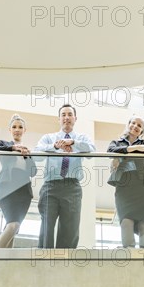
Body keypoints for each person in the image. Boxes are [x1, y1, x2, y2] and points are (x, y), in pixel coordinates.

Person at [34, 104, 96, 248]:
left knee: (70, 229)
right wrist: (55, 147)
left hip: (72, 187)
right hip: (51, 186)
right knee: (47, 227)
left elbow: (91, 151)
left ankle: (64, 264)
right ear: (59, 119)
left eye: (69, 114)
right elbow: (36, 154)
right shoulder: (49, 138)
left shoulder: (82, 138)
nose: (66, 118)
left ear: (75, 118)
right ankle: (44, 261)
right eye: (63, 115)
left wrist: (73, 143)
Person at [107, 115, 144, 248]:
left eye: (139, 125)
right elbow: (110, 151)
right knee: (126, 221)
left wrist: (122, 154)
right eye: (133, 123)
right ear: (128, 124)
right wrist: (131, 149)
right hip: (124, 186)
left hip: (143, 187)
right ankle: (129, 254)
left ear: (142, 131)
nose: (135, 126)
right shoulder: (116, 142)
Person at [0, 113, 37, 248]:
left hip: (23, 192)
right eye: (14, 127)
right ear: (10, 130)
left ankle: (5, 262)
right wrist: (13, 148)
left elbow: (33, 172)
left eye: (20, 127)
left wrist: (27, 156)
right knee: (13, 225)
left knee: (14, 228)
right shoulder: (5, 144)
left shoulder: (27, 150)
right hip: (8, 188)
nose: (17, 129)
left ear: (24, 130)